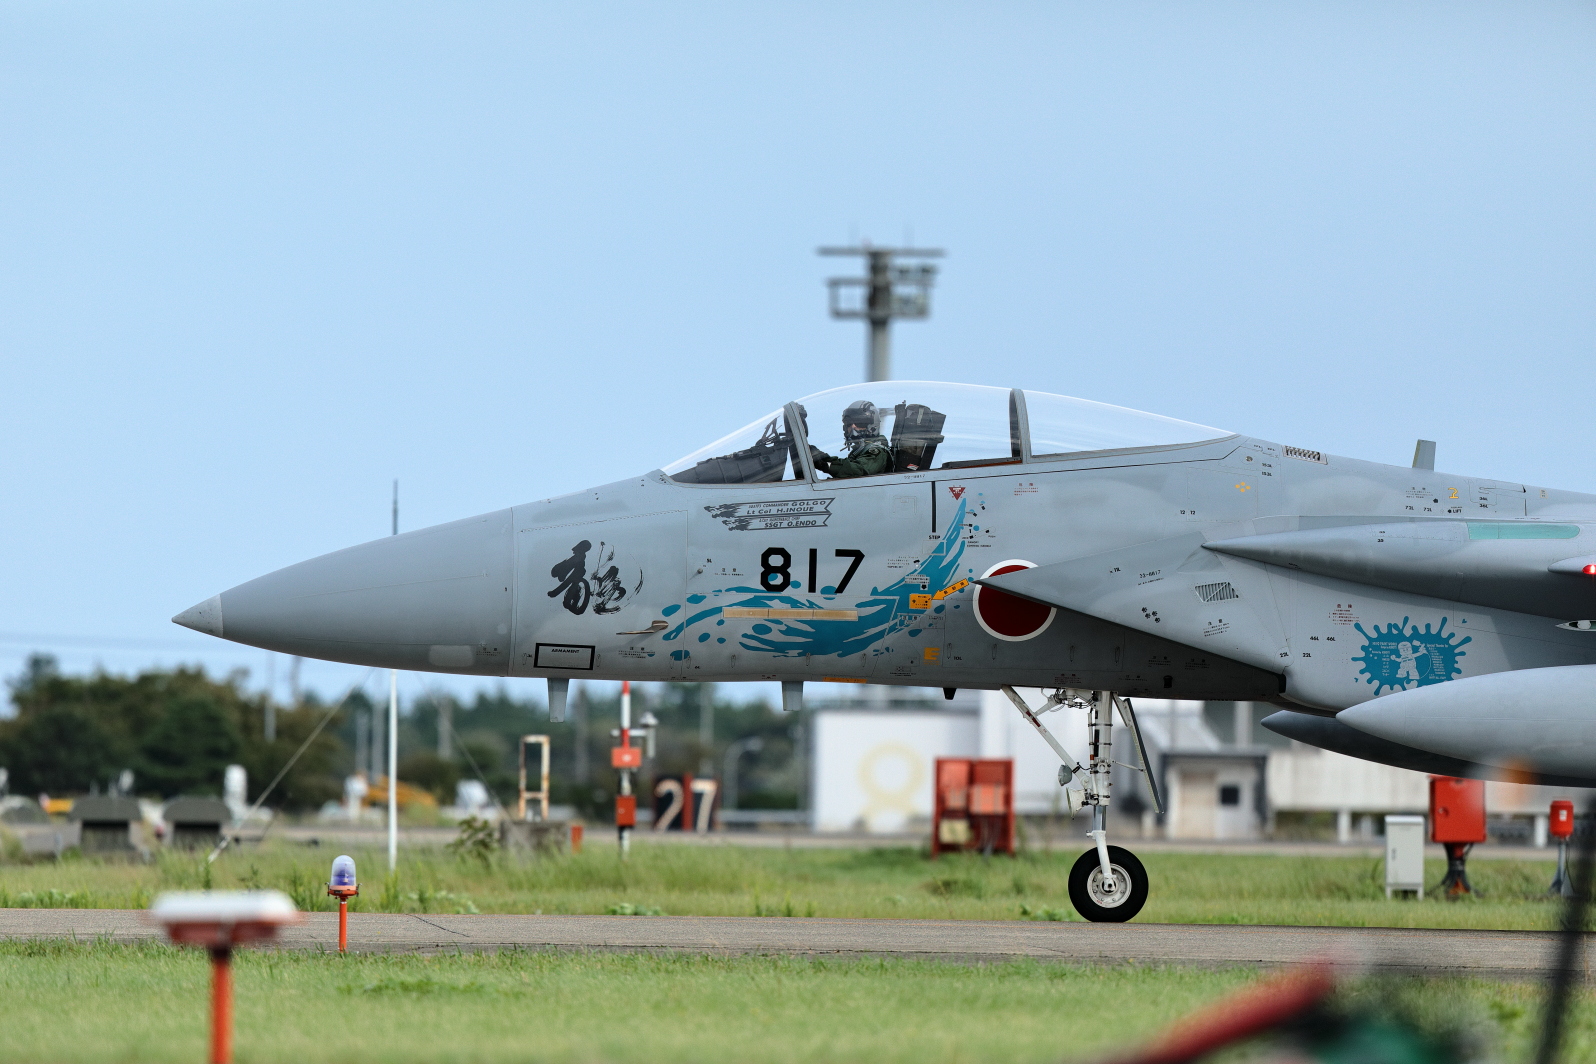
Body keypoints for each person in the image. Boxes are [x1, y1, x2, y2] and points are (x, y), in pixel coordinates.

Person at [811, 400, 892, 478]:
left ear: (872, 426)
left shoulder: (877, 452)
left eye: (860, 423)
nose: (853, 427)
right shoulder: (859, 451)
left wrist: (819, 458)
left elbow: (856, 471)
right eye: (849, 423)